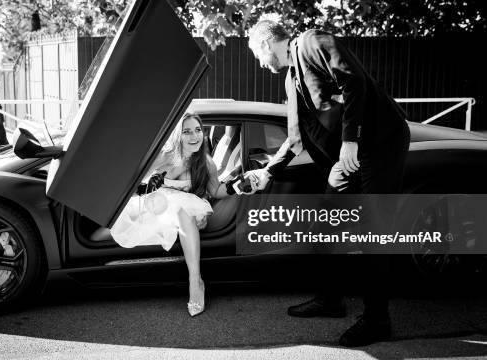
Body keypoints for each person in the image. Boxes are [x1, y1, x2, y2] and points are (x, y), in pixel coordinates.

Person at [245, 20, 410, 347]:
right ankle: (331, 299)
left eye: (257, 55)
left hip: (379, 146)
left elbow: (354, 80)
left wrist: (351, 140)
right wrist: (269, 172)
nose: (261, 64)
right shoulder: (292, 81)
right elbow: (295, 140)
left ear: (266, 43)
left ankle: (378, 320)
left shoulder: (311, 42)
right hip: (345, 161)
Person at [92, 113, 237, 317]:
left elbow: (216, 191)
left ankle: (195, 282)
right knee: (100, 235)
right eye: (186, 131)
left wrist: (237, 187)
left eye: (197, 130)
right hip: (157, 207)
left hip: (189, 210)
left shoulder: (207, 163)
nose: (194, 136)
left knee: (183, 211)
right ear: (178, 135)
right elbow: (134, 176)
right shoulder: (165, 157)